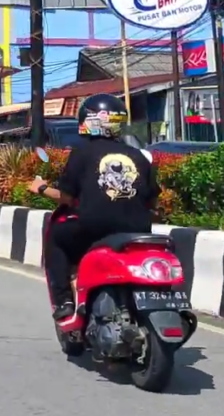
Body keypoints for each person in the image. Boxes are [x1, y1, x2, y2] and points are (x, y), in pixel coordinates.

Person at [29, 93, 159, 321]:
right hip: (137, 230)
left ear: (88, 121)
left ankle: (64, 301)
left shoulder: (81, 153)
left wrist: (40, 188)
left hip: (92, 228)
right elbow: (152, 200)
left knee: (57, 237)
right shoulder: (139, 156)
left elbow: (67, 197)